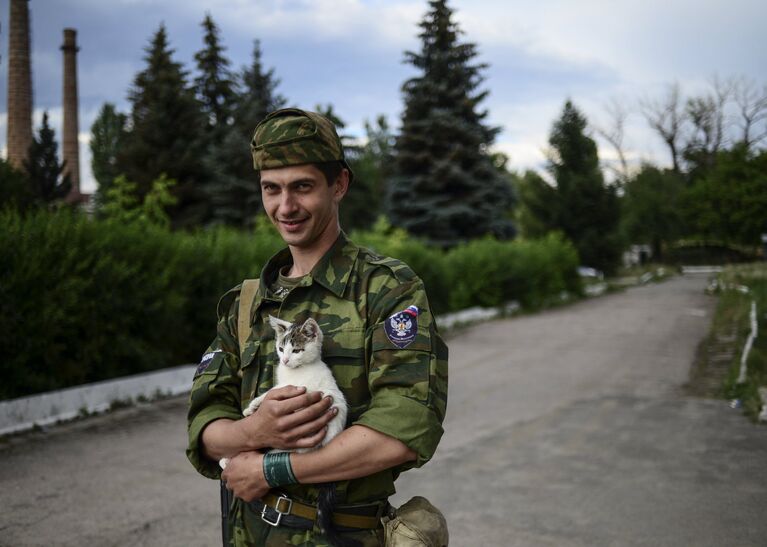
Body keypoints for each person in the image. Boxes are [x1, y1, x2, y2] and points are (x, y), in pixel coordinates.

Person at [186, 108, 448, 546]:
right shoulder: (247, 303)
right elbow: (205, 425)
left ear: (339, 185)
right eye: (271, 189)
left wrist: (272, 468)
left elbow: (403, 430)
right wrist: (253, 433)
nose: (285, 207)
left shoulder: (385, 290)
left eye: (302, 187)